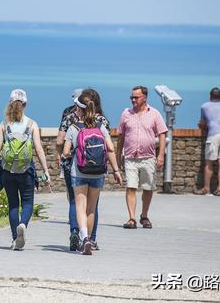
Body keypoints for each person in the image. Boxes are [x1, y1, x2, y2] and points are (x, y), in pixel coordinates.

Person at [0, 89, 51, 250]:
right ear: (25, 104)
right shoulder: (31, 124)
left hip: (8, 171)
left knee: (13, 205)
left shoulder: (4, 125)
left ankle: (16, 238)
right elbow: (38, 148)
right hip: (26, 171)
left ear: (10, 103)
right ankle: (23, 224)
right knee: (28, 202)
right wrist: (46, 170)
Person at [62, 92, 121, 255]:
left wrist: (69, 153)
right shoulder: (100, 127)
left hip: (79, 171)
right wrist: (116, 170)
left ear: (79, 110)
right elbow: (110, 148)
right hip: (98, 173)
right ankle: (90, 239)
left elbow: (66, 151)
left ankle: (84, 238)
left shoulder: (74, 128)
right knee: (91, 208)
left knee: (80, 207)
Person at [116, 85, 167, 229]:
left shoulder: (155, 113)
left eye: (136, 97)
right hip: (130, 156)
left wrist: (161, 155)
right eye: (131, 97)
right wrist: (118, 155)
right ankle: (131, 218)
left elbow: (162, 134)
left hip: (148, 157)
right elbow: (120, 137)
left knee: (148, 188)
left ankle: (144, 216)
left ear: (144, 98)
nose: (133, 100)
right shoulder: (126, 113)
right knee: (130, 187)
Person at [196, 87, 220, 196]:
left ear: (210, 96)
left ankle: (206, 189)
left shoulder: (204, 106)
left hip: (214, 133)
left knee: (209, 162)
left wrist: (200, 125)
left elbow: (203, 124)